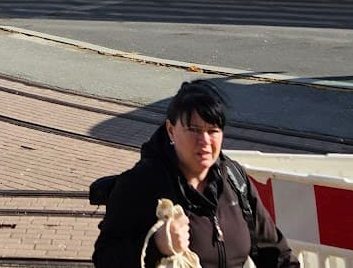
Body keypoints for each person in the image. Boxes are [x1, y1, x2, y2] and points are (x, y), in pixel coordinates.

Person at [92, 80, 296, 268]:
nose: (205, 141)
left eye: (213, 130)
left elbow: (276, 253)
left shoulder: (235, 180)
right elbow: (104, 258)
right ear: (171, 130)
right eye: (194, 130)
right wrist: (157, 245)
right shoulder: (142, 183)